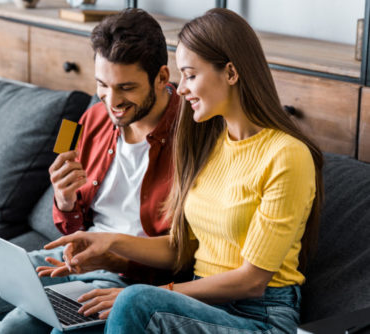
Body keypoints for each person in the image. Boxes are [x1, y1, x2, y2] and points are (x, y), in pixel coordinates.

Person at [45, 8, 324, 334]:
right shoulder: (210, 143)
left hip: (258, 315)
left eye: (190, 75)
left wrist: (148, 294)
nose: (179, 89)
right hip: (196, 303)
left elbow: (252, 281)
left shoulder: (287, 155)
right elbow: (182, 246)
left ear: (231, 72)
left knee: (133, 303)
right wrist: (108, 242)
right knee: (60, 323)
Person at [0, 8, 181, 334]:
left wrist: (114, 259)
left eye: (126, 87)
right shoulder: (92, 118)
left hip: (130, 276)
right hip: (73, 256)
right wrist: (65, 201)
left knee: (12, 329)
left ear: (163, 77)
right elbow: (67, 221)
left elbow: (186, 253)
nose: (112, 101)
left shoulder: (193, 134)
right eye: (102, 85)